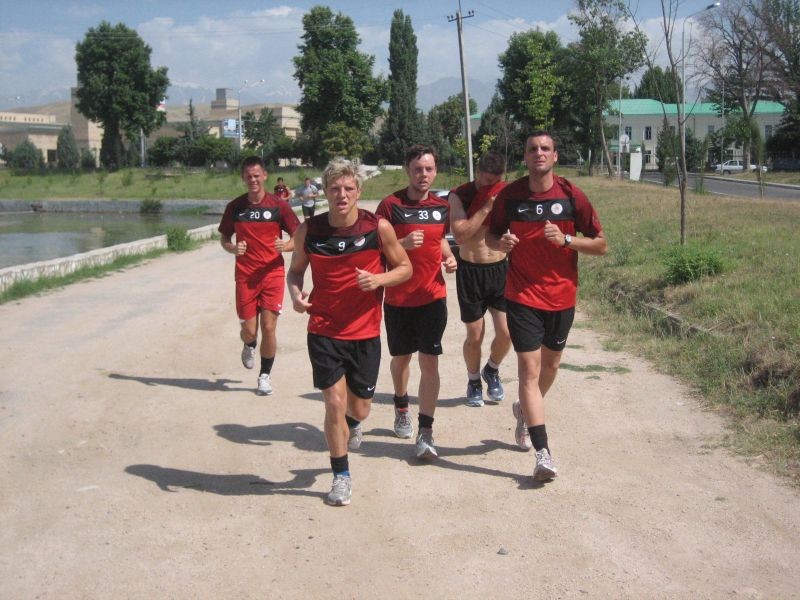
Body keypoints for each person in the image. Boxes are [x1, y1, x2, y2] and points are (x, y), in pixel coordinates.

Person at [287, 158, 411, 506]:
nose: (341, 194)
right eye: (334, 188)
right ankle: (341, 475)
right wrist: (295, 295)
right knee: (333, 402)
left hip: (364, 332)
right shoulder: (309, 230)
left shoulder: (378, 228)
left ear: (358, 191)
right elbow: (295, 272)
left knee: (360, 408)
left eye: (348, 188)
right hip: (324, 329)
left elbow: (405, 267)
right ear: (325, 192)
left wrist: (379, 279)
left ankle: (354, 424)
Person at [487, 131, 607, 481]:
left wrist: (567, 240)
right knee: (529, 368)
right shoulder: (510, 196)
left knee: (550, 366)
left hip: (562, 296)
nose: (538, 153)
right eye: (532, 149)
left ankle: (525, 410)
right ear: (525, 157)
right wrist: (501, 243)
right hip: (522, 295)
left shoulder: (571, 195)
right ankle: (543, 454)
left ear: (555, 156)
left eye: (545, 148)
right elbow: (491, 235)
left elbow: (601, 244)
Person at [375, 144, 457, 459]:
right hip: (399, 297)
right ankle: (400, 406)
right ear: (407, 170)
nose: (424, 174)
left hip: (432, 296)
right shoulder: (390, 206)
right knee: (402, 359)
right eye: (418, 169)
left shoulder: (441, 207)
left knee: (430, 361)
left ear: (435, 171)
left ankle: (426, 431)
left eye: (429, 169)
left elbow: (440, 241)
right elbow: (374, 248)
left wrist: (449, 258)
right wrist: (402, 244)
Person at [218, 156, 301, 396]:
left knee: (269, 326)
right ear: (243, 178)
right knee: (250, 331)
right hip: (246, 275)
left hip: (272, 273)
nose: (253, 180)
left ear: (264, 176)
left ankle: (265, 376)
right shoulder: (235, 207)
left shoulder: (279, 205)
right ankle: (249, 343)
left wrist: (287, 246)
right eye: (249, 176)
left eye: (257, 175)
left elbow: (298, 235)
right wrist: (232, 248)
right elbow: (224, 238)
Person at [449, 151, 512, 408]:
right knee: (475, 336)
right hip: (471, 271)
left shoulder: (506, 192)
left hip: (499, 269)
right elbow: (460, 235)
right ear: (478, 172)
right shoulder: (460, 195)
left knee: (507, 333)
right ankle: (474, 380)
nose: (491, 186)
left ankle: (491, 370)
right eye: (486, 181)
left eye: (495, 181)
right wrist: (487, 206)